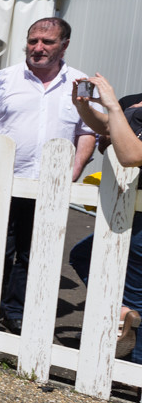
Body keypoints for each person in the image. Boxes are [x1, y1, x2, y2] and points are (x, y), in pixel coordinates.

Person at [0, 17, 95, 333]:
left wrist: (72, 173)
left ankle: (15, 312)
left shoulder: (83, 84)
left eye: (47, 42)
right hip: (0, 184)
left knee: (32, 253)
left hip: (48, 187)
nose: (37, 48)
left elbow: (88, 133)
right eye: (33, 40)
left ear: (65, 44)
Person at [69, 74, 142, 361]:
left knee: (137, 297)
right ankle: (123, 313)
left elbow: (130, 154)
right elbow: (111, 129)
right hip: (128, 212)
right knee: (83, 255)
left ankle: (134, 374)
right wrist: (84, 106)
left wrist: (112, 103)